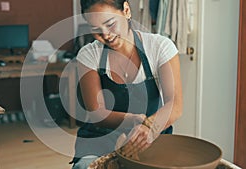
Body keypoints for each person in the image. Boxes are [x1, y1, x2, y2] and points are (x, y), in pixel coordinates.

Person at [71, 0, 183, 168]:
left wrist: (149, 127)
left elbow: (175, 105)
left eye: (110, 24)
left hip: (149, 137)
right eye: (95, 29)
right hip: (101, 137)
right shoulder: (89, 55)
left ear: (126, 10)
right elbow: (97, 112)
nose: (106, 35)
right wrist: (132, 120)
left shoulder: (159, 47)